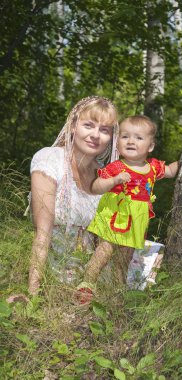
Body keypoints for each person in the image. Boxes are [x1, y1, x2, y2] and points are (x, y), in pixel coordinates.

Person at [28, 96, 119, 297]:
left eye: (104, 130)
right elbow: (42, 234)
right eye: (88, 125)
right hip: (51, 268)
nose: (95, 135)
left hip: (91, 278)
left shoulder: (106, 176)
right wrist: (33, 295)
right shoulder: (50, 159)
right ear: (73, 126)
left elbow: (104, 240)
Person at [84, 115, 179, 289]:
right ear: (118, 142)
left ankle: (117, 291)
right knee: (103, 252)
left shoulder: (153, 167)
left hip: (137, 221)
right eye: (125, 136)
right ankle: (87, 284)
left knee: (125, 257)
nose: (130, 141)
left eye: (138, 138)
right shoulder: (116, 167)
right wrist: (114, 181)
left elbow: (171, 171)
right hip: (116, 215)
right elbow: (96, 187)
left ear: (150, 146)